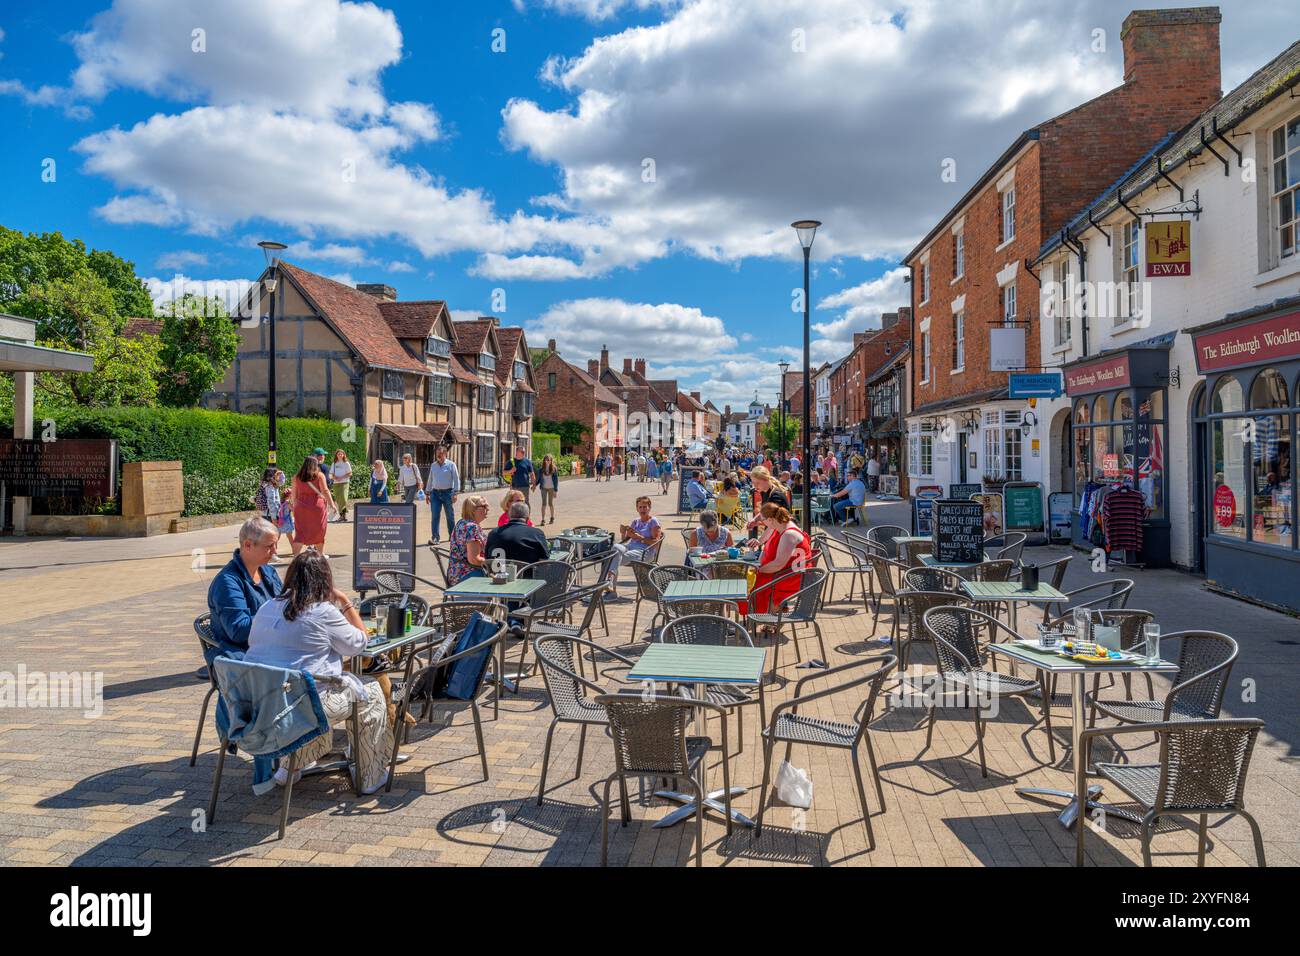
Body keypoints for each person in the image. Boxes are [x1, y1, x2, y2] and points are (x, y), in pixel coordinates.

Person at [244, 550, 393, 794]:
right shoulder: (323, 611)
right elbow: (359, 643)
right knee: (371, 692)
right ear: (325, 580)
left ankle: (290, 766)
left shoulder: (267, 607)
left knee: (307, 688)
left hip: (265, 703)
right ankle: (371, 776)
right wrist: (344, 601)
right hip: (305, 706)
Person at [207, 516, 284, 661]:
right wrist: (278, 614)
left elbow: (285, 605)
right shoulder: (227, 583)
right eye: (269, 546)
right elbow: (238, 630)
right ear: (248, 545)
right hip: (246, 658)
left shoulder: (268, 571)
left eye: (276, 545)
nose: (275, 551)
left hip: (272, 648)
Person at [745, 502, 813, 617]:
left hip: (793, 577)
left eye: (763, 520)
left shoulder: (789, 534)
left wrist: (758, 570)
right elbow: (768, 533)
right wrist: (759, 542)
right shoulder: (781, 524)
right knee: (752, 580)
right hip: (789, 572)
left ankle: (766, 614)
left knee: (753, 582)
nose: (762, 523)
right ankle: (766, 613)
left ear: (771, 519)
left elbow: (778, 564)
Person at [606, 495, 664, 597]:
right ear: (637, 508)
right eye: (640, 507)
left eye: (645, 507)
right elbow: (625, 540)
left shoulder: (653, 521)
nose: (642, 509)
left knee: (613, 558)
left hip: (646, 552)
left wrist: (640, 538)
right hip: (630, 548)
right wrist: (623, 533)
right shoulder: (636, 521)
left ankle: (611, 587)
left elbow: (656, 543)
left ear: (649, 508)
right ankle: (610, 585)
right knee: (615, 548)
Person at [485, 501, 550, 565]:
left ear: (509, 517)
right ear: (527, 519)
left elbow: (487, 558)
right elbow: (545, 559)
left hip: (498, 574)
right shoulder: (536, 534)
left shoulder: (493, 533)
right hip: (528, 574)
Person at [291, 455, 331, 557]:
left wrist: (294, 506)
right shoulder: (319, 475)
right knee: (319, 532)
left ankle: (296, 556)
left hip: (300, 506)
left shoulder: (296, 477)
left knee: (300, 532)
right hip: (317, 506)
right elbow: (325, 491)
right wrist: (332, 504)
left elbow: (294, 494)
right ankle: (320, 555)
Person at [448, 495, 490, 585]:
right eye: (484, 506)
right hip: (467, 575)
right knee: (503, 577)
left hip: (455, 574)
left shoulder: (462, 522)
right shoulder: (472, 527)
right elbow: (474, 560)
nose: (488, 509)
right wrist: (494, 563)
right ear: (473, 509)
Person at [425, 445, 460, 544]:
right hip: (435, 493)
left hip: (447, 493)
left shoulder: (451, 465)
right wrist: (427, 493)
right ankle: (435, 538)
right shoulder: (433, 465)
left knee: (449, 516)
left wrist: (455, 493)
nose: (438, 456)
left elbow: (456, 479)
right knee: (435, 516)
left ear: (445, 454)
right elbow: (430, 479)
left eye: (440, 454)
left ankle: (452, 536)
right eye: (437, 454)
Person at [745, 465, 790, 539]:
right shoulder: (764, 491)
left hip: (782, 534)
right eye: (753, 482)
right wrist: (755, 520)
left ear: (766, 479)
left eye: (758, 483)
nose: (755, 486)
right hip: (775, 533)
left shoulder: (776, 495)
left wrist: (760, 541)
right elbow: (766, 512)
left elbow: (774, 523)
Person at [328, 450, 353, 521]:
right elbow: (331, 474)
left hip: (344, 483)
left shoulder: (346, 463)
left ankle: (343, 514)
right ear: (336, 455)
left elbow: (350, 473)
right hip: (336, 483)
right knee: (339, 500)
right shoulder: (334, 463)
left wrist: (342, 477)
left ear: (344, 455)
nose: (340, 455)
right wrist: (334, 477)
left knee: (344, 499)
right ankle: (342, 516)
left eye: (341, 454)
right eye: (339, 454)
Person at [537, 454, 560, 524]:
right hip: (543, 488)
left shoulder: (554, 469)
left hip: (551, 488)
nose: (547, 461)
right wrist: (534, 485)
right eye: (546, 460)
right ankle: (543, 519)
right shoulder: (541, 469)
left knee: (550, 503)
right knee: (543, 504)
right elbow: (538, 479)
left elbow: (556, 480)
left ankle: (552, 517)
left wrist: (555, 490)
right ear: (544, 460)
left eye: (549, 460)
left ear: (551, 461)